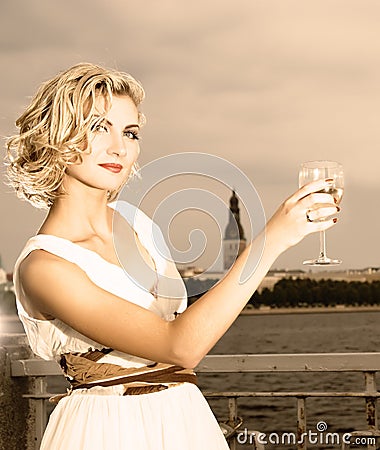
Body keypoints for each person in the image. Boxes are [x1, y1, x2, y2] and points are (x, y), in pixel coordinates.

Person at [6, 62, 339, 450]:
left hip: (183, 416)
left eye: (130, 132)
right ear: (55, 138)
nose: (119, 146)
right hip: (107, 430)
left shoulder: (138, 223)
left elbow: (188, 341)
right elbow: (179, 345)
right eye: (98, 126)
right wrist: (270, 242)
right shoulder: (44, 267)